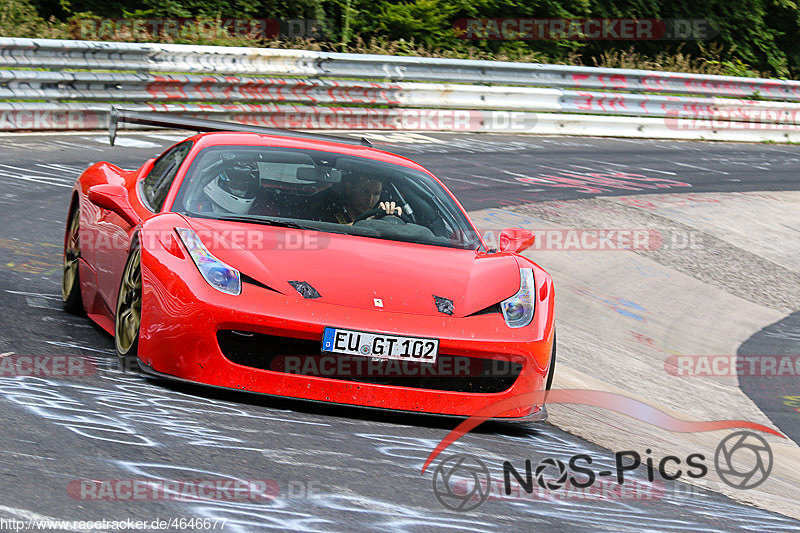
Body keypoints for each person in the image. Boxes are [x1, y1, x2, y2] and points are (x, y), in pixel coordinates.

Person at [322, 171, 402, 225]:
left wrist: (391, 219)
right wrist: (368, 223)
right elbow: (330, 234)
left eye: (376, 194)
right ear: (349, 189)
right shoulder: (328, 211)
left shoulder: (379, 216)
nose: (370, 200)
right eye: (365, 192)